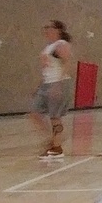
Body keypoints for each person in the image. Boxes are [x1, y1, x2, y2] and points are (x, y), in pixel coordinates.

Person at [30, 20, 72, 158]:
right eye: (45, 27)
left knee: (55, 116)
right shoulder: (49, 46)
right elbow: (46, 69)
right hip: (46, 83)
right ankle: (53, 139)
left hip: (58, 82)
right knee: (35, 114)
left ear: (57, 30)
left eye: (49, 27)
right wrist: (39, 86)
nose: (46, 29)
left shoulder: (61, 44)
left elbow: (66, 64)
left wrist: (58, 85)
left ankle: (57, 147)